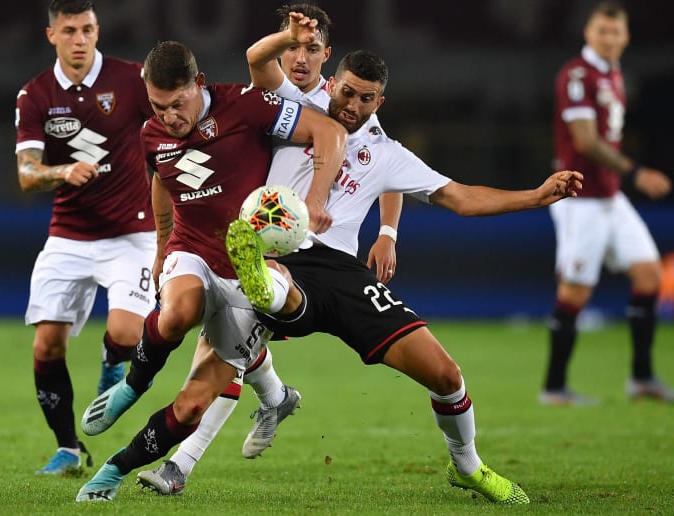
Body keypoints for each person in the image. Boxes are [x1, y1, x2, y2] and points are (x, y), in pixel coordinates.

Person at [140, 14, 583, 505]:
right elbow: (257, 60)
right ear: (332, 83)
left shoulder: (386, 153)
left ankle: (468, 466)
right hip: (275, 258)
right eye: (346, 92)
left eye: (364, 98)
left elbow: (461, 198)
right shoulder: (294, 108)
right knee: (222, 350)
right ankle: (181, 462)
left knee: (445, 375)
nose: (351, 105)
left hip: (340, 274)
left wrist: (535, 196)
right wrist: (292, 37)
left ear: (379, 103)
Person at [136, 4, 403, 496]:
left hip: (311, 258)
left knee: (223, 349)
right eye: (292, 47)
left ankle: (181, 464)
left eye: (311, 49)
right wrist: (165, 242)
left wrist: (387, 231)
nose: (301, 58)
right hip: (258, 246)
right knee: (230, 345)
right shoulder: (270, 97)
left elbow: (388, 165)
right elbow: (256, 60)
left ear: (328, 54)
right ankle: (275, 399)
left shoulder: (344, 108)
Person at [74, 40, 348, 502]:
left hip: (249, 269)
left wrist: (316, 199)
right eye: (158, 106)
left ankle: (113, 470)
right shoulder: (151, 135)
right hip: (193, 250)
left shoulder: (247, 105)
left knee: (191, 406)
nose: (168, 117)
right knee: (178, 313)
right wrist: (162, 246)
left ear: (198, 83)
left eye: (177, 104)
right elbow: (162, 180)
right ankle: (132, 386)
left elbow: (330, 131)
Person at [14, 0, 159, 475]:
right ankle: (69, 449)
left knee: (127, 334)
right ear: (51, 35)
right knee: (46, 346)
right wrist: (62, 171)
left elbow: (176, 122)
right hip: (69, 236)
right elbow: (26, 174)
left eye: (88, 29)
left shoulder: (132, 80)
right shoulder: (35, 95)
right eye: (70, 31)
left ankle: (112, 360)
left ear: (98, 31)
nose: (80, 40)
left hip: (132, 233)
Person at [541, 1, 673, 406]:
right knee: (575, 292)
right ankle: (554, 387)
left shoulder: (613, 74)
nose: (609, 38)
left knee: (649, 276)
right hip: (578, 198)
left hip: (609, 197)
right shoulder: (577, 75)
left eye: (615, 31)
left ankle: (642, 379)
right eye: (602, 30)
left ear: (626, 37)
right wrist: (636, 172)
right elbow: (584, 141)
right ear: (588, 33)